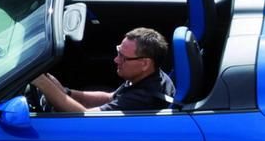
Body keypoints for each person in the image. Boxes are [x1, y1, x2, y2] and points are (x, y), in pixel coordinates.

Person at [32, 28, 174, 114]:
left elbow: (84, 116)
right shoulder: (150, 75)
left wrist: (43, 84)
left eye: (123, 58)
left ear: (144, 63)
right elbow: (110, 97)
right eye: (118, 52)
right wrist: (66, 92)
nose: (116, 60)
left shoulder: (142, 98)